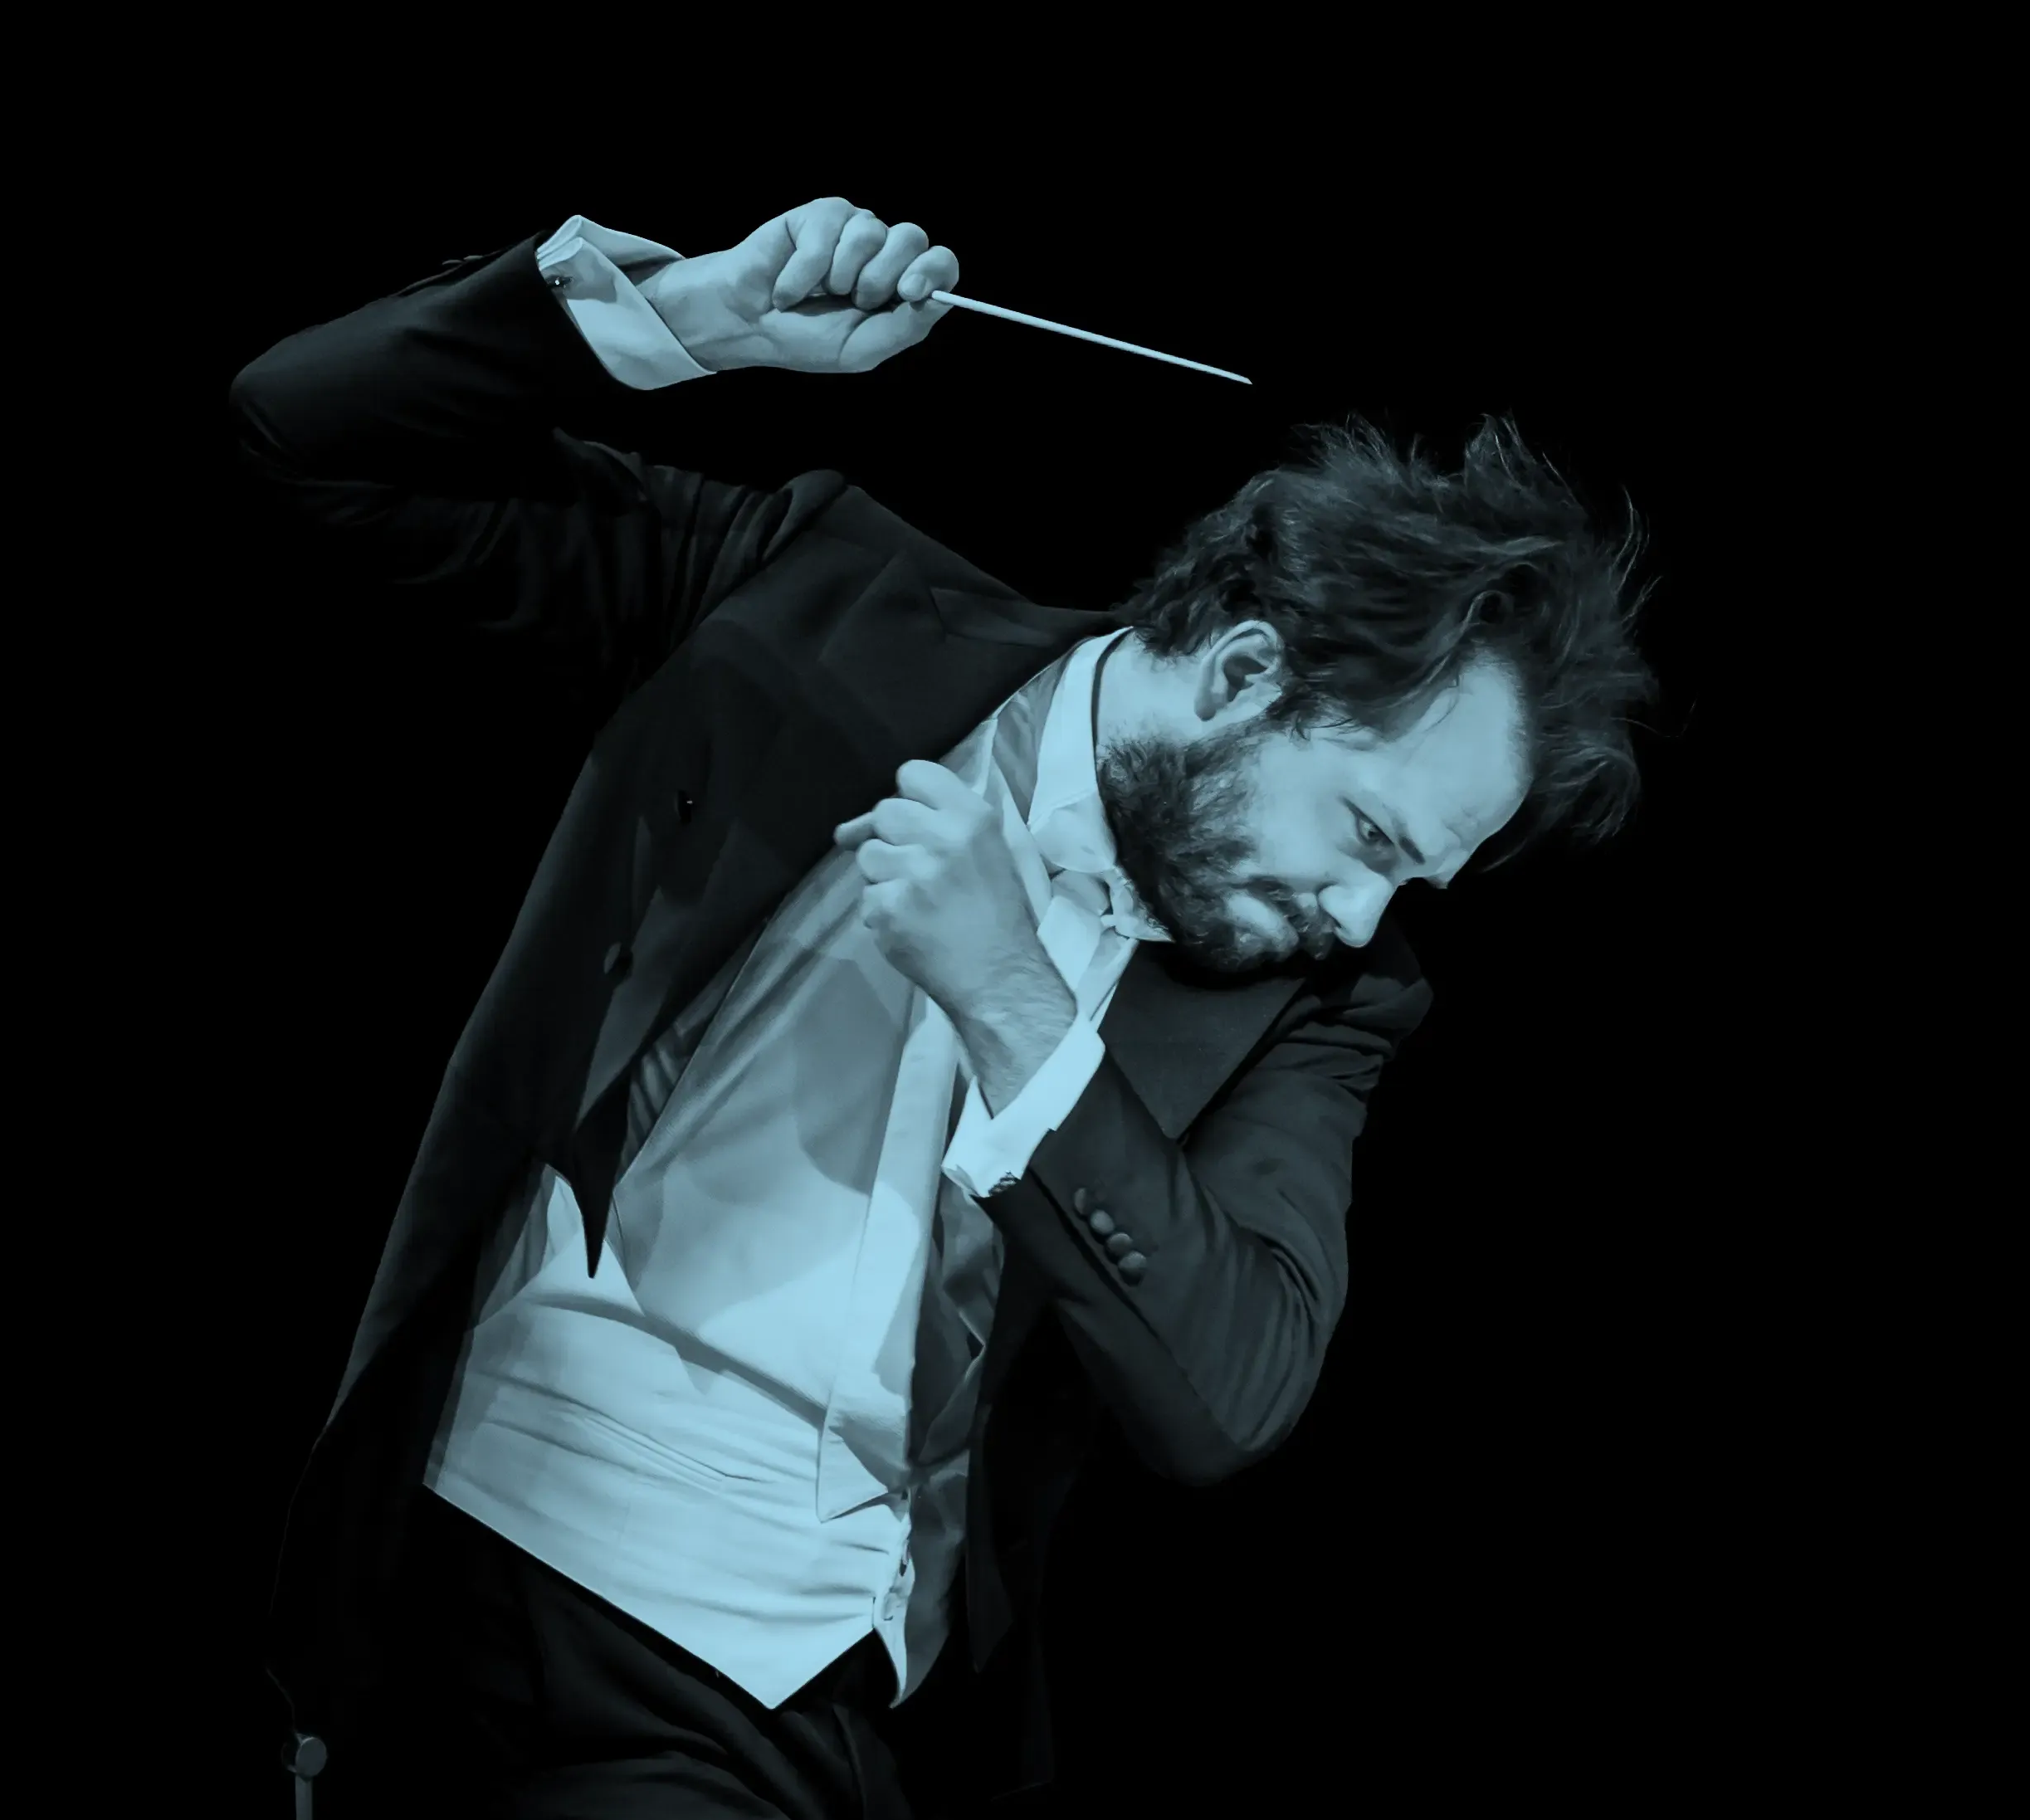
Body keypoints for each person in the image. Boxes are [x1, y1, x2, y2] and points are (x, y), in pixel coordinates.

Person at [232, 197, 1657, 1818]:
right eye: (1371, 837)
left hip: (817, 1709)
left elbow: (1231, 1395)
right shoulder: (811, 596)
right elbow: (308, 430)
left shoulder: (1323, 999)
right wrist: (693, 323)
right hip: (489, 1542)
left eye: (1412, 887)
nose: (1360, 914)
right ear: (1245, 677)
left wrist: (1016, 1003)